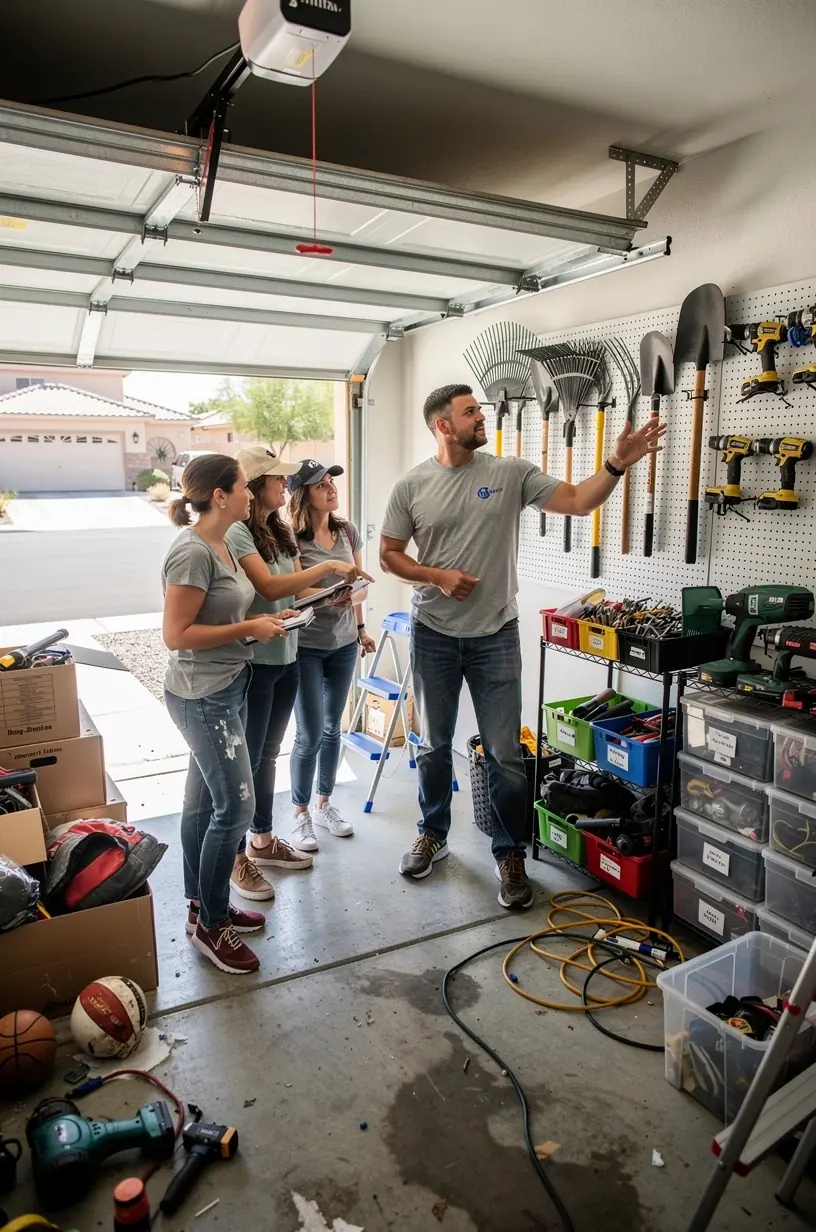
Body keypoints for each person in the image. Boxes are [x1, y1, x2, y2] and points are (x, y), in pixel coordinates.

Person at [379, 383, 665, 910]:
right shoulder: (412, 485)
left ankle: (509, 852)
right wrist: (436, 575)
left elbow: (579, 501)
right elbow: (389, 556)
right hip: (434, 634)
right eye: (469, 413)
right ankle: (433, 833)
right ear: (443, 425)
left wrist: (616, 465)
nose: (479, 417)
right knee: (433, 745)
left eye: (479, 410)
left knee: (508, 754)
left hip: (496, 637)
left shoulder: (509, 474)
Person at [162, 453, 287, 976]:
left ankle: (202, 904)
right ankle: (212, 925)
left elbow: (230, 609)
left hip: (227, 685)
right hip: (201, 696)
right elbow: (176, 636)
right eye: (242, 487)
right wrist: (248, 630)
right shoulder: (192, 552)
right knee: (235, 810)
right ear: (219, 495)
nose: (250, 494)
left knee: (200, 807)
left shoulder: (224, 543)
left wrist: (266, 619)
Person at [224, 445, 366, 901]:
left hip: (287, 652)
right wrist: (329, 570)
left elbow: (295, 587)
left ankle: (262, 840)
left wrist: (337, 595)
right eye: (276, 479)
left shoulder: (277, 530)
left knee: (268, 755)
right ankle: (240, 853)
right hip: (260, 660)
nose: (283, 485)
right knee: (249, 760)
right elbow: (267, 587)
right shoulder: (239, 534)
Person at [287, 459, 377, 850]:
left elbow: (360, 585)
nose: (330, 488)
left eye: (331, 482)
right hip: (305, 647)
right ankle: (300, 813)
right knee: (308, 735)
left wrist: (359, 626)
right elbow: (293, 592)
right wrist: (331, 594)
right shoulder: (291, 538)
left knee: (331, 729)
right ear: (302, 493)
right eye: (321, 484)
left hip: (342, 644)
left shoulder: (347, 530)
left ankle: (324, 804)